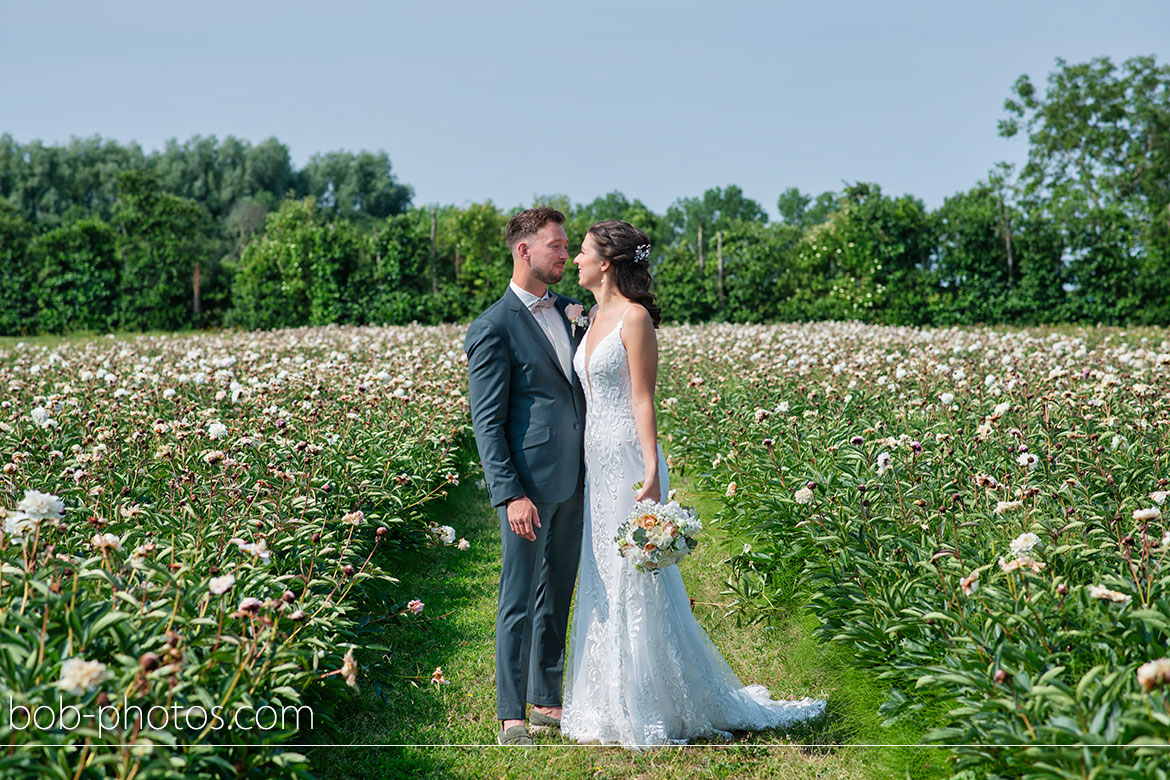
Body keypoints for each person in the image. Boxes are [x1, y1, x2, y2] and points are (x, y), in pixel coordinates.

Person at [561, 219, 826, 747]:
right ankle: (604, 701)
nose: (575, 261)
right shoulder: (589, 317)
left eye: (584, 253)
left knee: (637, 573)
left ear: (607, 263)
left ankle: (651, 703)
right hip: (595, 459)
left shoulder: (635, 319)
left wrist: (654, 469)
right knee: (601, 573)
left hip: (630, 459)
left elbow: (642, 398)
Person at [464, 207, 587, 746]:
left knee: (558, 589)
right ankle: (511, 712)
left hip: (577, 476)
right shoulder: (492, 327)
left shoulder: (569, 311)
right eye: (557, 246)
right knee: (518, 595)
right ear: (524, 251)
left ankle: (545, 697)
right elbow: (486, 421)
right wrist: (509, 492)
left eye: (565, 247)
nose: (565, 254)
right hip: (528, 485)